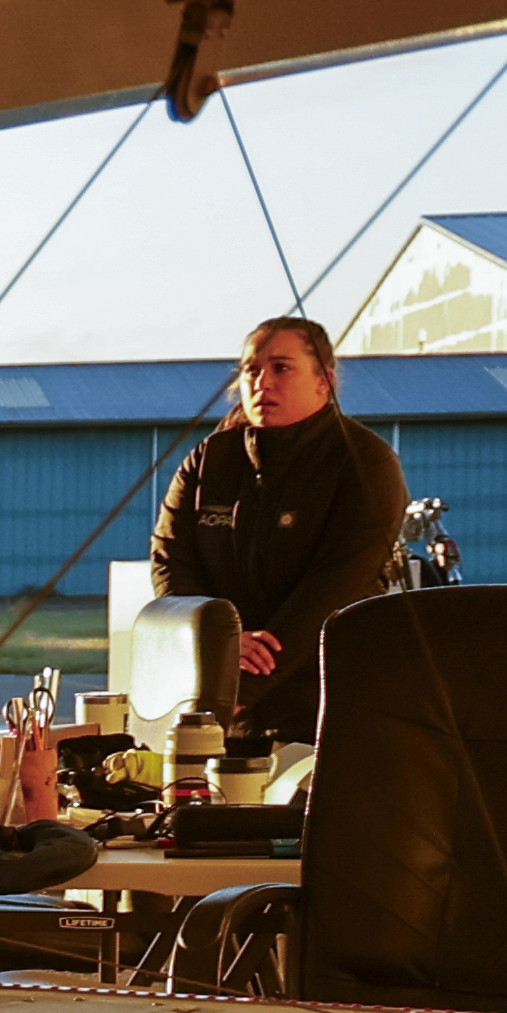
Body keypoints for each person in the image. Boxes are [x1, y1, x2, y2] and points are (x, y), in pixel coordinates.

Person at [148, 315, 407, 743]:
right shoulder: (209, 460)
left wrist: (237, 685)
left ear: (324, 380)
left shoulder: (365, 463)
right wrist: (216, 640)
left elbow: (332, 590)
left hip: (326, 705)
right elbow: (170, 559)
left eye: (282, 367)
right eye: (252, 369)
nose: (261, 382)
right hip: (221, 695)